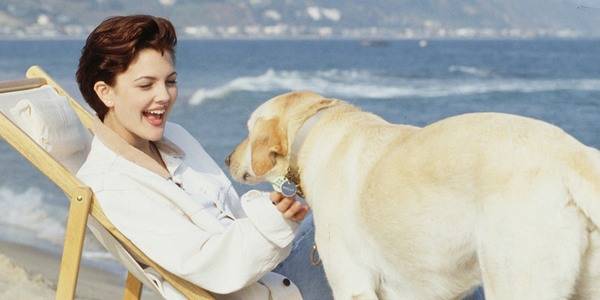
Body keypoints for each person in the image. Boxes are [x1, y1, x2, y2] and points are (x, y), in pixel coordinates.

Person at [75, 15, 332, 299]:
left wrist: (278, 209)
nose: (164, 96)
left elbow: (231, 216)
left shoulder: (175, 137)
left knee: (340, 200)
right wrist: (276, 221)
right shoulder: (112, 184)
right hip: (264, 292)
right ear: (105, 93)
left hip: (267, 272)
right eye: (146, 85)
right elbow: (213, 267)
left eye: (170, 81)